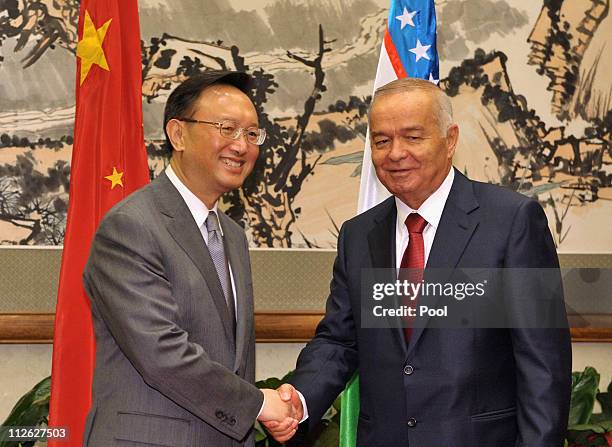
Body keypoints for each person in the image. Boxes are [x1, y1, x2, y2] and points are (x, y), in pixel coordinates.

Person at [264, 78, 572, 446]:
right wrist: (298, 400)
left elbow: (544, 366)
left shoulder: (513, 221)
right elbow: (339, 341)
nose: (395, 153)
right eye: (381, 140)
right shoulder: (358, 235)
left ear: (450, 139)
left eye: (412, 137)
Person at [82, 71, 297, 446]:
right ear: (178, 134)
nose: (241, 146)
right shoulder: (130, 227)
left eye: (251, 134)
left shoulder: (231, 234)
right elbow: (161, 352)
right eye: (227, 128)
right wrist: (258, 404)